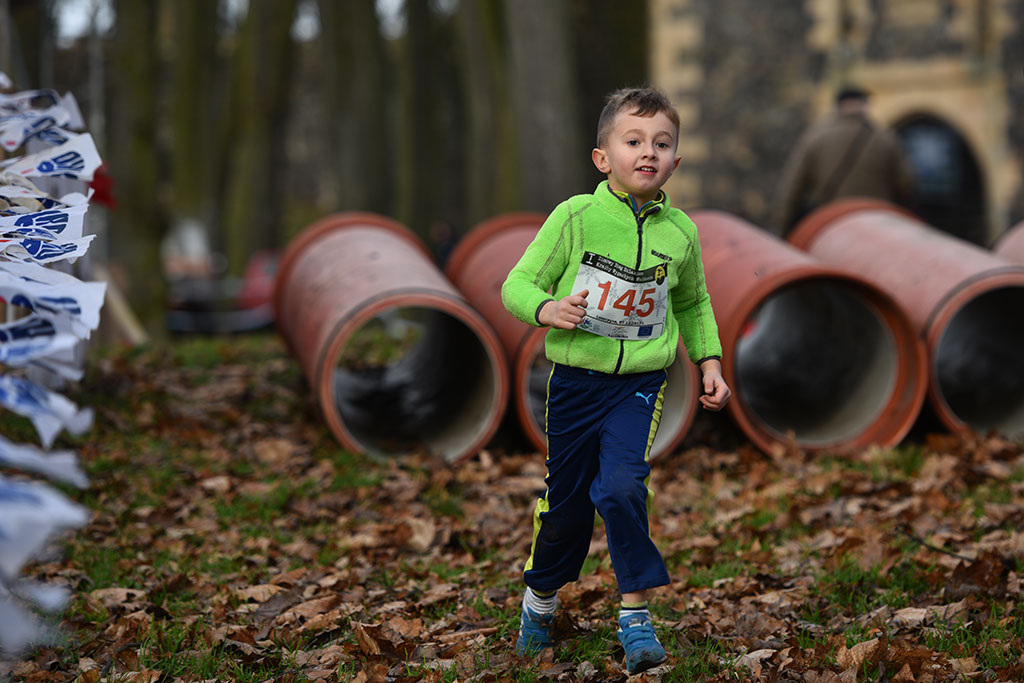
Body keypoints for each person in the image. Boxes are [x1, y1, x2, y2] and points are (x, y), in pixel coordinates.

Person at [501, 86, 731, 674]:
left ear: (675, 161)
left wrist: (709, 362)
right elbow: (517, 284)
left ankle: (635, 616)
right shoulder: (575, 218)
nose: (648, 152)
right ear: (603, 158)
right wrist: (547, 308)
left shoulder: (681, 232)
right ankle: (540, 601)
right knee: (566, 507)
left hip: (640, 386)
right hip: (574, 385)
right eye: (633, 141)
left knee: (624, 487)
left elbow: (694, 302)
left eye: (662, 143)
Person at [774, 85, 915, 236]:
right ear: (865, 105)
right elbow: (906, 184)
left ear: (839, 105)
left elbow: (793, 189)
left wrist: (784, 230)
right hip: (877, 220)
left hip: (829, 223)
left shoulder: (815, 137)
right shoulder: (886, 139)